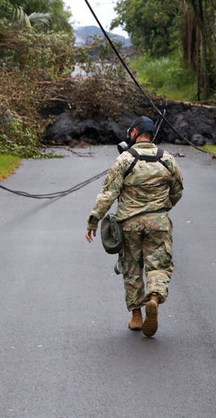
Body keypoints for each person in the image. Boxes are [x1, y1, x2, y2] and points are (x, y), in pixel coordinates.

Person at [85, 116, 184, 336]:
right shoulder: (167, 159)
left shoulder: (124, 160)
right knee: (158, 265)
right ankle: (155, 298)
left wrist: (94, 220)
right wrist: (162, 208)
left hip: (129, 224)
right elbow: (177, 190)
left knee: (131, 267)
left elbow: (108, 193)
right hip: (158, 222)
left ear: (135, 133)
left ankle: (137, 316)